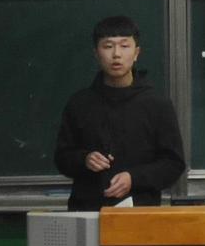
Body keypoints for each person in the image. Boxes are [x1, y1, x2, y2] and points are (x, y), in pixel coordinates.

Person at [54, 15, 186, 211]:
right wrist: (84, 159)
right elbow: (62, 158)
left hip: (140, 212)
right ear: (96, 53)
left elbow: (173, 163)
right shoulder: (80, 103)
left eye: (124, 46)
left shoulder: (157, 104)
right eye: (108, 46)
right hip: (87, 211)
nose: (116, 54)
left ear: (136, 53)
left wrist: (134, 178)